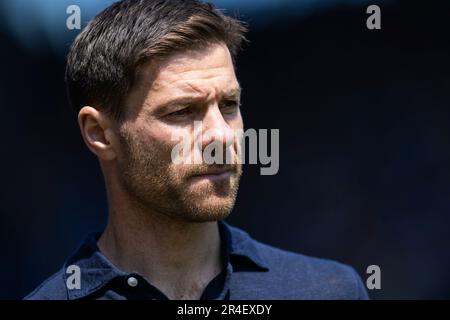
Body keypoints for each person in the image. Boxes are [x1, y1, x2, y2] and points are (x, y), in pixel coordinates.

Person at [26, 0, 368, 300]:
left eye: (229, 104)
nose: (220, 135)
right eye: (181, 112)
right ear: (100, 134)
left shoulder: (329, 289)